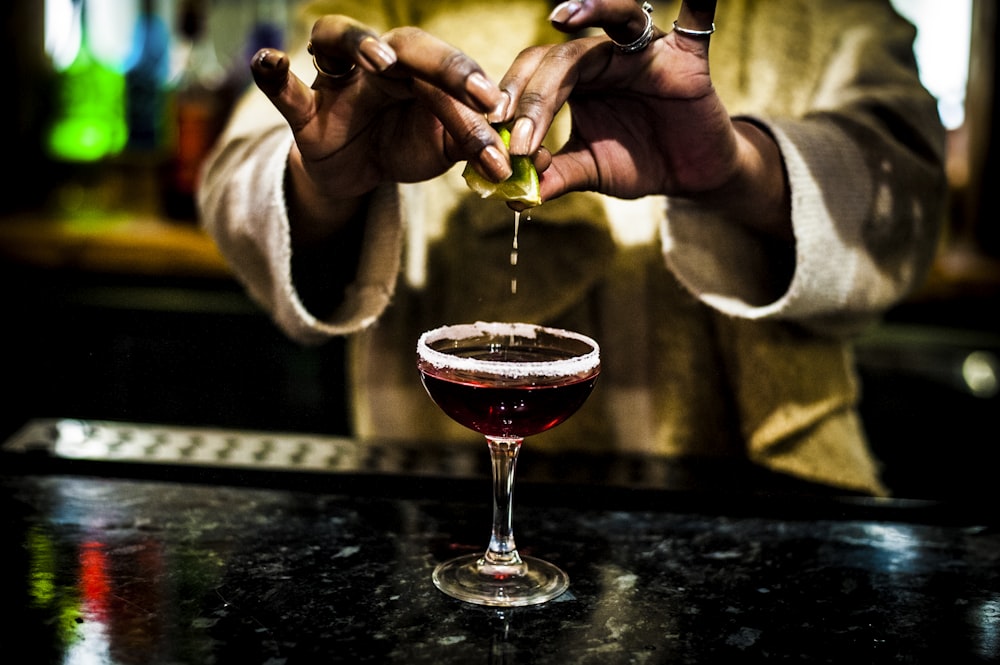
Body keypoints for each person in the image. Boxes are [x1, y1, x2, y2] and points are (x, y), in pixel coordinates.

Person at [198, 0, 948, 496]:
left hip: (761, 495)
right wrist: (326, 183)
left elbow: (906, 201)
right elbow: (241, 181)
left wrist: (736, 169)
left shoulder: (820, 13)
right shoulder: (391, 4)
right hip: (435, 487)